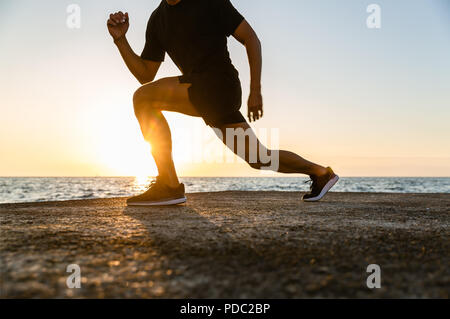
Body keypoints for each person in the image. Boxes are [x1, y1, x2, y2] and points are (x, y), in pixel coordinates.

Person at [107, 0, 339, 206]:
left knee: (143, 98)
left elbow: (250, 37)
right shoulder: (158, 19)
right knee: (259, 158)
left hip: (220, 85)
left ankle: (168, 185)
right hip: (203, 94)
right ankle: (321, 173)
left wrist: (255, 90)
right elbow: (146, 73)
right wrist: (121, 40)